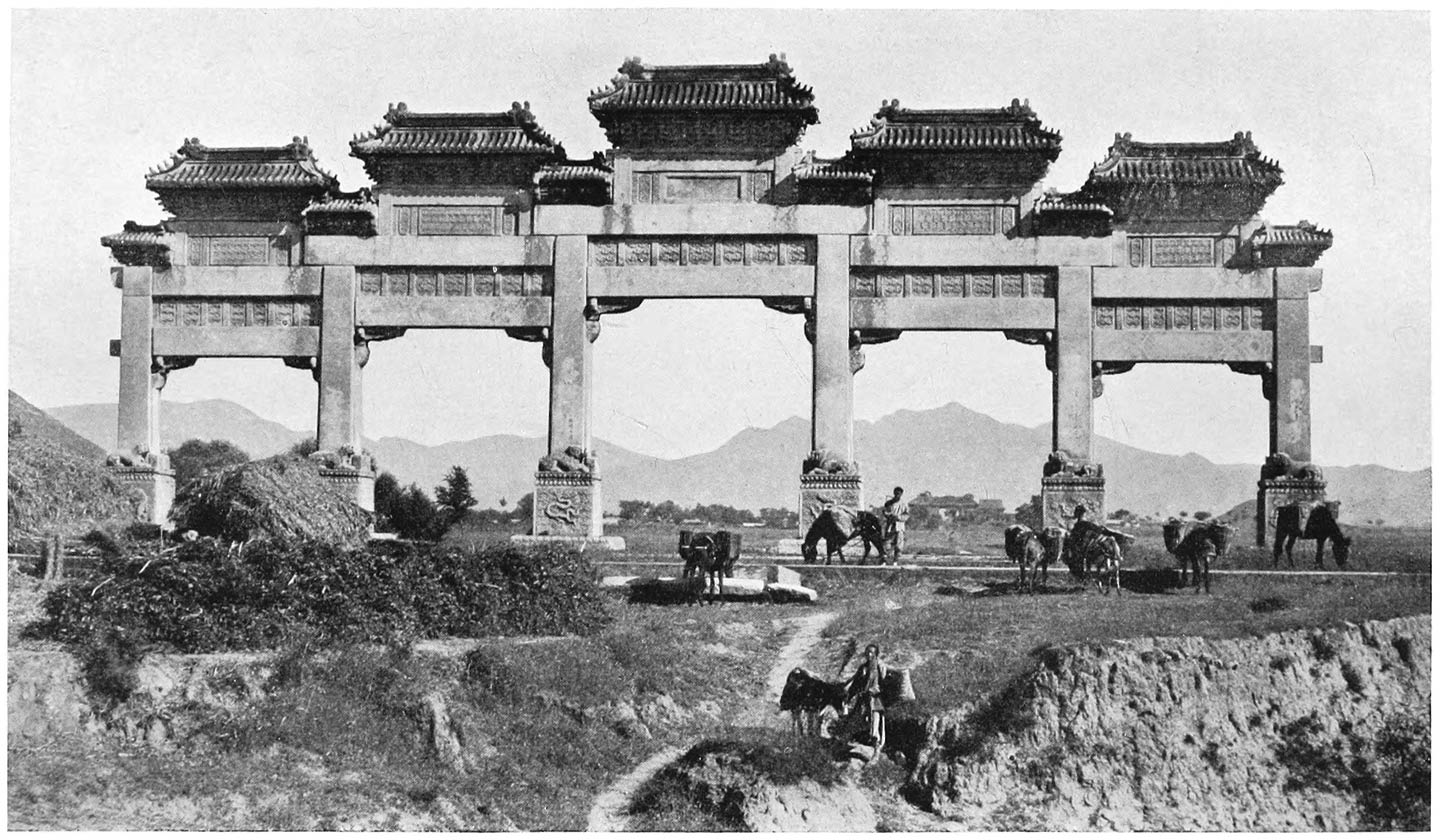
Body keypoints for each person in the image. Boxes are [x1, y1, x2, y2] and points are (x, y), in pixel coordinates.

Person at [845, 643, 889, 753]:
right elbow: (856, 683)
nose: (869, 655)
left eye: (872, 652)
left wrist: (878, 690)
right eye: (868, 652)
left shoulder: (880, 667)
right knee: (860, 719)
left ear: (876, 654)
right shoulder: (863, 668)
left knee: (875, 720)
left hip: (876, 698)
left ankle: (876, 743)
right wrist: (849, 696)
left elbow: (885, 683)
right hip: (864, 698)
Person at [881, 486, 908, 565]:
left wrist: (898, 517)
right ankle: (884, 560)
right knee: (887, 543)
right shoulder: (888, 503)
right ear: (894, 493)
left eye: (899, 494)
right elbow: (885, 512)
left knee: (899, 545)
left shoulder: (904, 504)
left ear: (901, 494)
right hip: (890, 526)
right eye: (896, 494)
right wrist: (888, 515)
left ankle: (895, 561)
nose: (897, 495)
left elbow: (906, 515)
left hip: (899, 526)